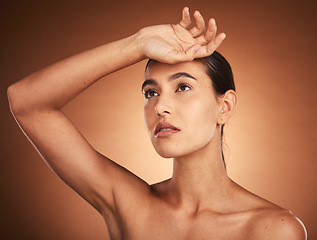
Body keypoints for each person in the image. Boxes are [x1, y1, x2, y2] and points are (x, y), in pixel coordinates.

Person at [7, 7, 306, 240]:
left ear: (224, 107)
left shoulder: (271, 229)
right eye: (151, 92)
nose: (160, 106)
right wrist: (136, 44)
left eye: (183, 87)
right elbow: (25, 101)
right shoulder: (128, 205)